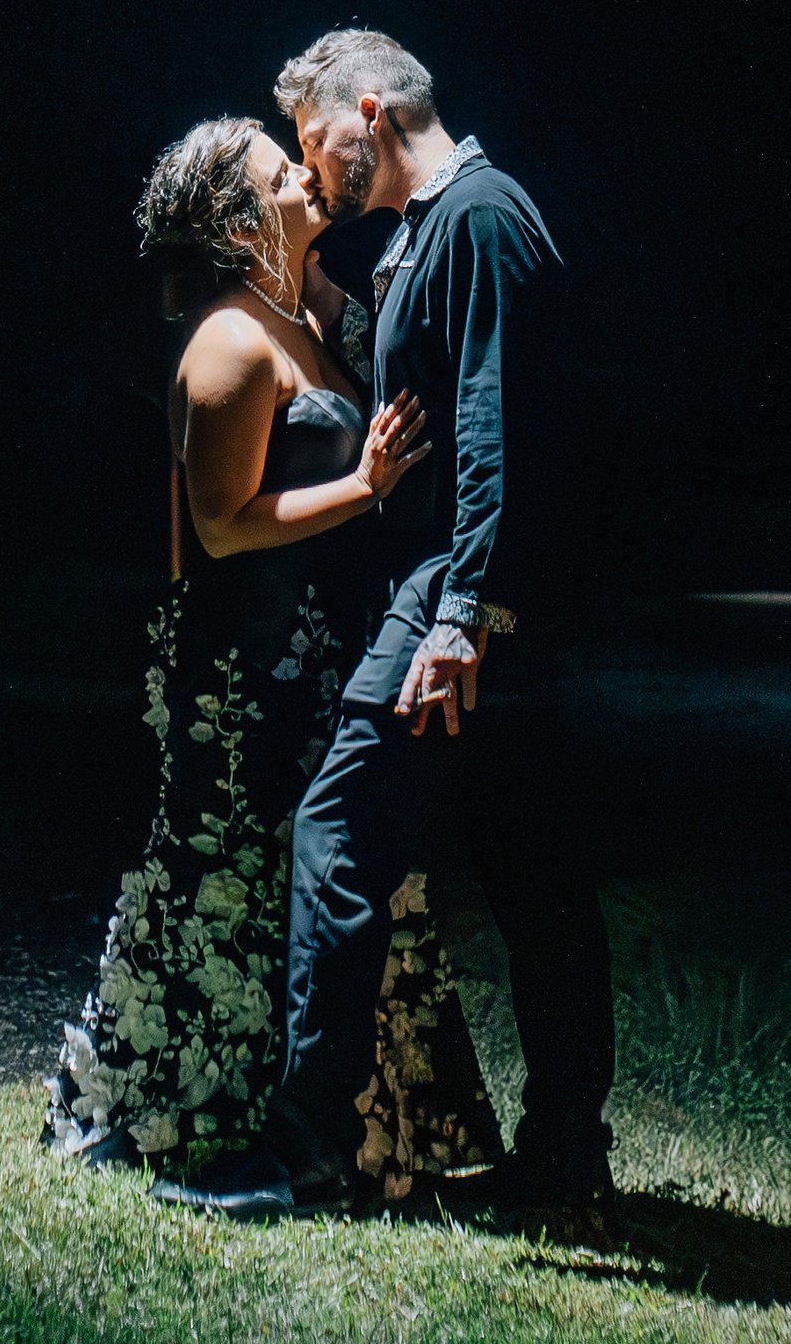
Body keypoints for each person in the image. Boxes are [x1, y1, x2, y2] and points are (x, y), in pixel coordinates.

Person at [156, 28, 617, 1235]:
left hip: (459, 605)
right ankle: (565, 1160)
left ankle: (305, 1157)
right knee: (537, 881)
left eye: (316, 141)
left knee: (341, 838)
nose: (314, 171)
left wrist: (465, 613)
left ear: (369, 110)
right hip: (469, 598)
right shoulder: (421, 238)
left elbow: (494, 428)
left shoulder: (479, 219)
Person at [44, 114, 500, 1193]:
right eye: (281, 171)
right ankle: (193, 1103)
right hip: (241, 664)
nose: (307, 175)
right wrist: (362, 486)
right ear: (241, 217)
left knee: (320, 876)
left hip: (319, 652)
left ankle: (333, 1112)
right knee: (227, 879)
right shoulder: (227, 339)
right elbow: (220, 523)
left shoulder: (304, 313)